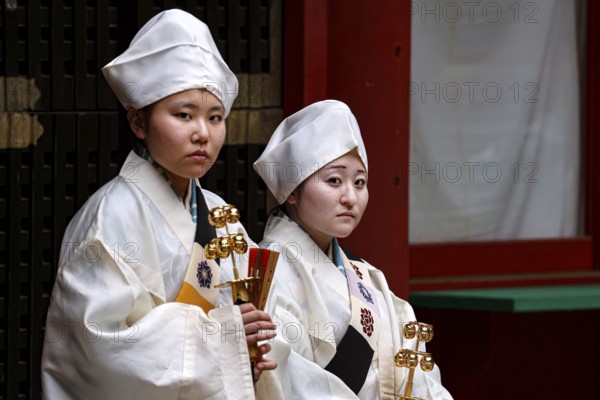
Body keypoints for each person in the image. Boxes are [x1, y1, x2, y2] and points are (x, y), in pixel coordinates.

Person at [41, 9, 276, 399]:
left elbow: (255, 317)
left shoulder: (222, 217)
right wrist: (222, 339)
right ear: (138, 122)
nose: (202, 132)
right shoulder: (111, 216)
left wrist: (251, 351)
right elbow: (101, 347)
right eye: (184, 115)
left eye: (215, 117)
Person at [253, 100, 452, 399]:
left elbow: (415, 375)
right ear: (292, 190)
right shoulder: (265, 275)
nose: (350, 197)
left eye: (360, 182)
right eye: (334, 180)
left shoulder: (368, 279)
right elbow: (284, 380)